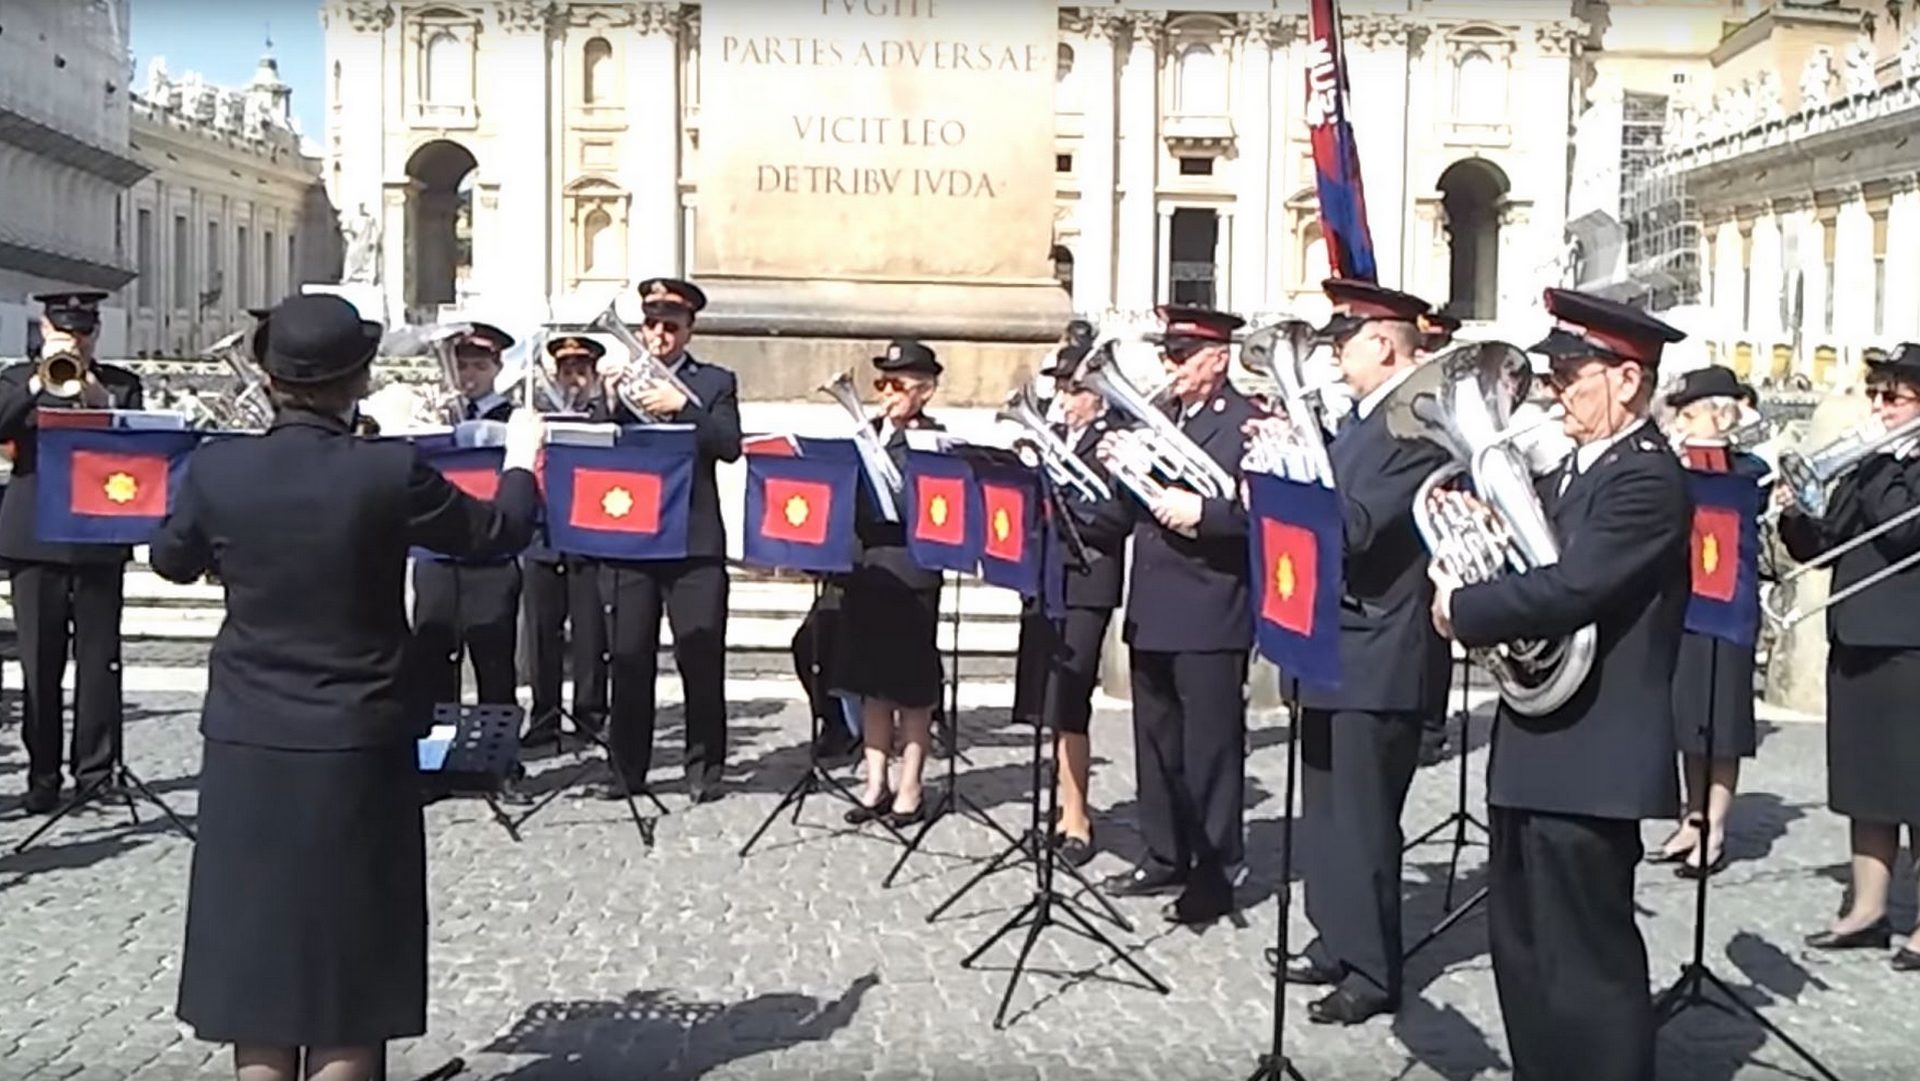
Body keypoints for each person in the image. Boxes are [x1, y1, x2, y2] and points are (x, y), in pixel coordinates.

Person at [152, 293, 541, 1081]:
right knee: (350, 979)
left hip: (248, 737)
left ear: (268, 379)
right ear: (357, 379)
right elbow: (495, 533)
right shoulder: (386, 471)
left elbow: (169, 558)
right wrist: (521, 463)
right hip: (355, 739)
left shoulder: (219, 466)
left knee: (256, 975)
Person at [1429, 287, 1691, 1081]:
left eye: (1574, 375)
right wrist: (1472, 525)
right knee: (1527, 952)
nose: (1557, 392)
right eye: (1558, 374)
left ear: (1628, 381)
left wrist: (1464, 605)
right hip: (1539, 742)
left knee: (1589, 963)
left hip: (1596, 754)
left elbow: (1575, 588)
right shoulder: (1577, 470)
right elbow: (1533, 561)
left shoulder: (1645, 477)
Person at [1283, 280, 1454, 1025]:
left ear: (1382, 344)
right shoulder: (1360, 424)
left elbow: (1357, 526)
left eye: (1343, 342)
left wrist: (1293, 474)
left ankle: (1373, 968)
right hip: (1334, 642)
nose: (1334, 355)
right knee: (1324, 811)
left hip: (1380, 650)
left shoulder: (1415, 431)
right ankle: (1335, 935)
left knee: (1362, 819)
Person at [1089, 304, 1258, 925]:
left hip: (1213, 607)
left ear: (1217, 359)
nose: (1170, 367)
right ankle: (1165, 852)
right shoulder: (1160, 419)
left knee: (1210, 748)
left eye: (1180, 357)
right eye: (1167, 356)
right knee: (1156, 742)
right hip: (1154, 605)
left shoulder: (1246, 425)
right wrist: (1106, 472)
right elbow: (1127, 516)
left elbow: (1266, 521)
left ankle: (1216, 870)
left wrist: (1205, 515)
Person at [1777, 342, 1920, 970]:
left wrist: (1884, 459)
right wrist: (1797, 513)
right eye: (1877, 395)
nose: (1880, 407)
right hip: (1857, 638)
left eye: (1894, 397)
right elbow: (1827, 542)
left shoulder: (1896, 466)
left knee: (1917, 789)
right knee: (1865, 787)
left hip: (1911, 646)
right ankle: (1867, 909)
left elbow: (1902, 529)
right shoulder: (1871, 464)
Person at [589, 277, 741, 804]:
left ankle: (705, 768)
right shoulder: (621, 376)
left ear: (689, 330)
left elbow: (728, 447)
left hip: (693, 540)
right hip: (631, 535)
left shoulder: (716, 382)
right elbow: (597, 450)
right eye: (650, 324)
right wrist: (605, 399)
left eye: (670, 326)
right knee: (628, 656)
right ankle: (626, 769)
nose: (659, 335)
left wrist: (683, 406)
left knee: (700, 657)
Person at [0, 291, 144, 813]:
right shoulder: (17, 380)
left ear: (96, 333)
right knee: (40, 665)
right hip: (35, 537)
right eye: (66, 331)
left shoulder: (121, 385)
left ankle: (96, 772)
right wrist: (43, 379)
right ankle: (42, 776)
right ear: (44, 327)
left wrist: (95, 394)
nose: (76, 340)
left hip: (96, 539)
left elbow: (135, 447)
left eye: (84, 332)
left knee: (99, 663)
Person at [1009, 339, 1123, 867]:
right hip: (1046, 577)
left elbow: (1117, 517)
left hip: (1087, 580)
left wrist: (1067, 503)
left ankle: (1078, 816)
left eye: (1075, 388)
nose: (1066, 399)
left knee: (1070, 698)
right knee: (1043, 697)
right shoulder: (1052, 437)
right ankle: (1056, 807)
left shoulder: (1112, 441)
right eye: (1062, 387)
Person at [1655, 365, 1767, 878]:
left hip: (1730, 610)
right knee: (1687, 721)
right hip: (1685, 607)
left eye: (1692, 412)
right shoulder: (1672, 468)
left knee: (1721, 727)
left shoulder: (1750, 469)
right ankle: (1691, 815)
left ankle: (1716, 826)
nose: (1686, 420)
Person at [836, 340, 949, 829]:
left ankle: (911, 786)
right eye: (881, 383)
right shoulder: (867, 435)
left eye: (897, 385)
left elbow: (931, 508)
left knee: (912, 688)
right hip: (867, 568)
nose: (885, 394)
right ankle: (875, 781)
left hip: (912, 569)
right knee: (871, 687)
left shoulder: (934, 440)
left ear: (923, 391)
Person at [410, 323, 522, 708]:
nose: (468, 376)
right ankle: (437, 746)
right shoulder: (436, 413)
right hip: (436, 552)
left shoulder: (513, 417)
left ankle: (498, 754)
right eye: (462, 367)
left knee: (493, 655)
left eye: (478, 367)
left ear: (496, 368)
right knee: (433, 652)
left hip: (489, 550)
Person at [520, 335, 610, 746]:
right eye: (566, 371)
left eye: (581, 371)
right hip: (543, 534)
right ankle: (545, 716)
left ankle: (590, 716)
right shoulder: (539, 416)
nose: (573, 379)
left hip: (588, 537)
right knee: (542, 632)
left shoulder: (604, 417)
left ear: (592, 376)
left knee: (590, 632)